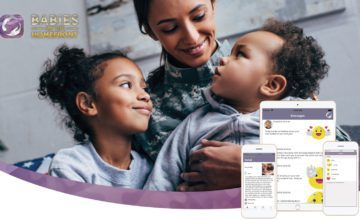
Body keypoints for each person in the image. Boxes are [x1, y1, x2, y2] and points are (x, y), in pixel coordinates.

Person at [133, 0, 351, 191]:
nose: (191, 37)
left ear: (213, 4)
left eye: (199, 16)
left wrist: (254, 168)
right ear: (151, 31)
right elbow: (152, 189)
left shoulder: (272, 66)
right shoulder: (144, 110)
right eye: (170, 28)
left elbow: (347, 174)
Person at [40, 45, 153, 188]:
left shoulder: (151, 166)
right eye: (126, 85)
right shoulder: (71, 166)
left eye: (144, 88)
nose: (145, 95)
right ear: (88, 104)